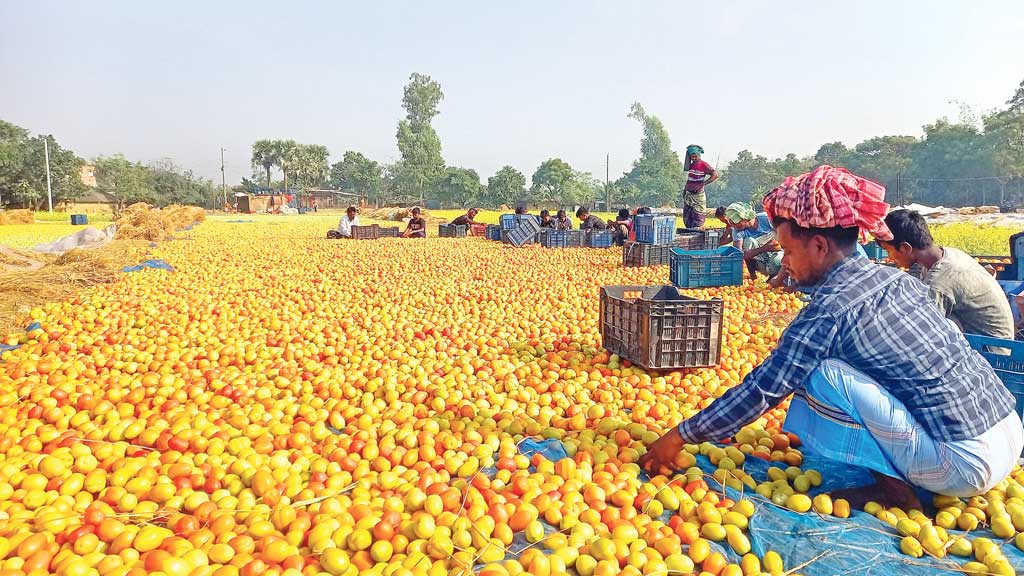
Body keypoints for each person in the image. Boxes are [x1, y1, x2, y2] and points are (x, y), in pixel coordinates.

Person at [639, 165, 1023, 509]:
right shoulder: (894, 278)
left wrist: (679, 435)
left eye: (788, 251)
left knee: (821, 372)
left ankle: (895, 494)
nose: (784, 263)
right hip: (1008, 432)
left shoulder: (829, 310)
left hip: (963, 466)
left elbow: (766, 386)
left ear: (819, 246)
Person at [880, 209, 1014, 340]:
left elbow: (919, 329)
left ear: (905, 248)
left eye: (888, 250)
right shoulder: (948, 255)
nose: (889, 257)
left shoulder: (940, 283)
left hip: (991, 350)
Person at [725, 202, 784, 282]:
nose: (734, 226)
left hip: (781, 255)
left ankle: (778, 278)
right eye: (731, 224)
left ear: (745, 218)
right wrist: (765, 248)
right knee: (748, 241)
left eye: (736, 222)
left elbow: (786, 237)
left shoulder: (766, 218)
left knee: (777, 260)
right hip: (762, 262)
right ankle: (757, 276)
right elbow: (739, 255)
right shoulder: (737, 231)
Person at [681, 145, 718, 229]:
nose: (693, 158)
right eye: (692, 156)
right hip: (689, 195)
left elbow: (715, 175)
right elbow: (689, 178)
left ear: (699, 155)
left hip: (698, 196)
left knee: (698, 216)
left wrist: (703, 184)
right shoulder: (691, 165)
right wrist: (685, 190)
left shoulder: (703, 165)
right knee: (687, 217)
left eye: (695, 156)